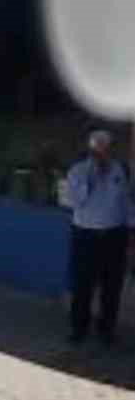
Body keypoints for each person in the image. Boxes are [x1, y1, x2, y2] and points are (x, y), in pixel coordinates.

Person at [64, 129, 135, 345]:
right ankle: (79, 328)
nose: (102, 154)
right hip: (86, 236)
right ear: (91, 150)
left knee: (111, 287)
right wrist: (91, 176)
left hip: (114, 236)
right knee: (83, 285)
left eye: (106, 149)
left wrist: (131, 229)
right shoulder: (77, 171)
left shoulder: (120, 170)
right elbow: (75, 201)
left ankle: (106, 330)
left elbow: (125, 203)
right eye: (98, 149)